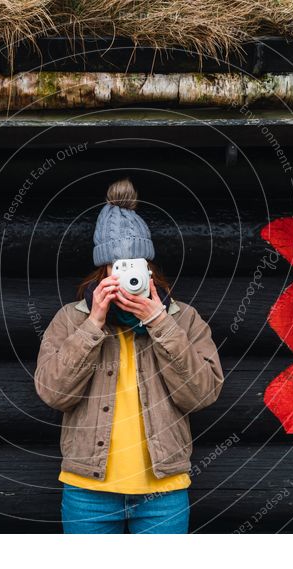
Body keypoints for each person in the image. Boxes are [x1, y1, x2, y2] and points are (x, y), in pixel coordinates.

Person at [33, 177, 224, 534]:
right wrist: (93, 325)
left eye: (134, 267)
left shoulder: (183, 319)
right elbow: (53, 393)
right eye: (117, 268)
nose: (127, 278)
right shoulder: (71, 320)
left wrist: (159, 322)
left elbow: (203, 394)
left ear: (149, 269)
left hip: (163, 493)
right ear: (103, 271)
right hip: (88, 491)